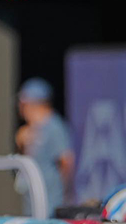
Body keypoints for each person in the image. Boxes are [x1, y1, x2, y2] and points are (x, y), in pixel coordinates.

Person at [15, 77, 74, 217]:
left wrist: (64, 194)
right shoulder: (30, 129)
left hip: (50, 202)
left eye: (23, 103)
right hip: (31, 201)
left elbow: (66, 161)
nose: (20, 108)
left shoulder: (54, 126)